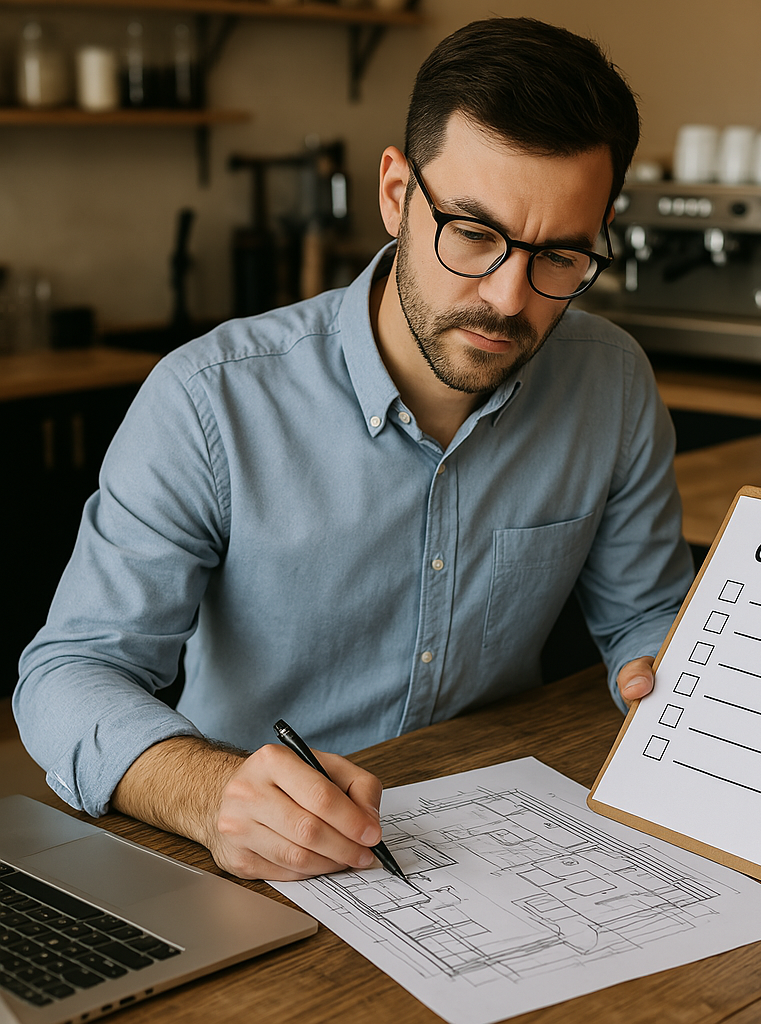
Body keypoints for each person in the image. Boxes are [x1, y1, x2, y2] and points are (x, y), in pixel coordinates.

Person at [14, 18, 693, 882]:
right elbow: (70, 673)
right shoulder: (208, 399)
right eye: (472, 233)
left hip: (501, 844)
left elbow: (644, 614)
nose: (507, 297)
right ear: (396, 193)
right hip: (258, 862)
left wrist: (673, 673)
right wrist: (207, 791)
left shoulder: (613, 380)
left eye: (560, 254)